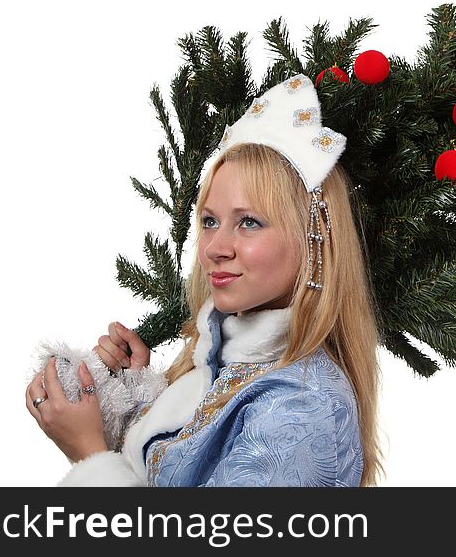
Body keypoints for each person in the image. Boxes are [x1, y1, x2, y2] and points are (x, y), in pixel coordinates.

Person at [26, 74, 383, 486]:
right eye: (210, 221)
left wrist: (88, 453)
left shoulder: (299, 409)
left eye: (249, 222)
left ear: (314, 241)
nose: (215, 247)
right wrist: (137, 407)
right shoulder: (225, 366)